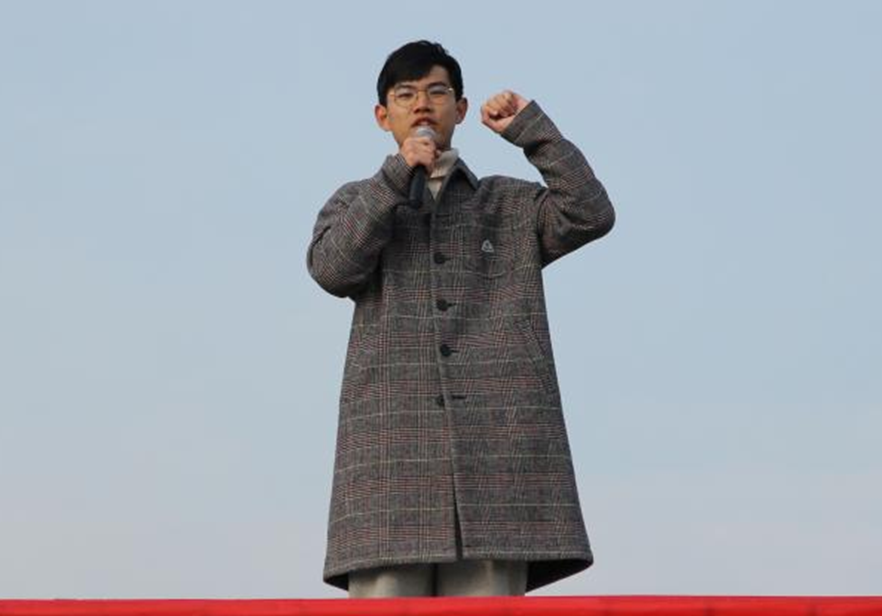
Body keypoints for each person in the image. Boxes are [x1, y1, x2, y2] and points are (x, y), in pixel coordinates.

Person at [307, 40, 615, 597]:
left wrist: (533, 131)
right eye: (405, 95)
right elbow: (332, 268)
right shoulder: (356, 201)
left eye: (437, 91)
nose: (422, 104)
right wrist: (394, 177)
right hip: (391, 461)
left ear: (462, 108)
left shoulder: (507, 204)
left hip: (500, 460)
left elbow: (589, 212)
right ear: (383, 116)